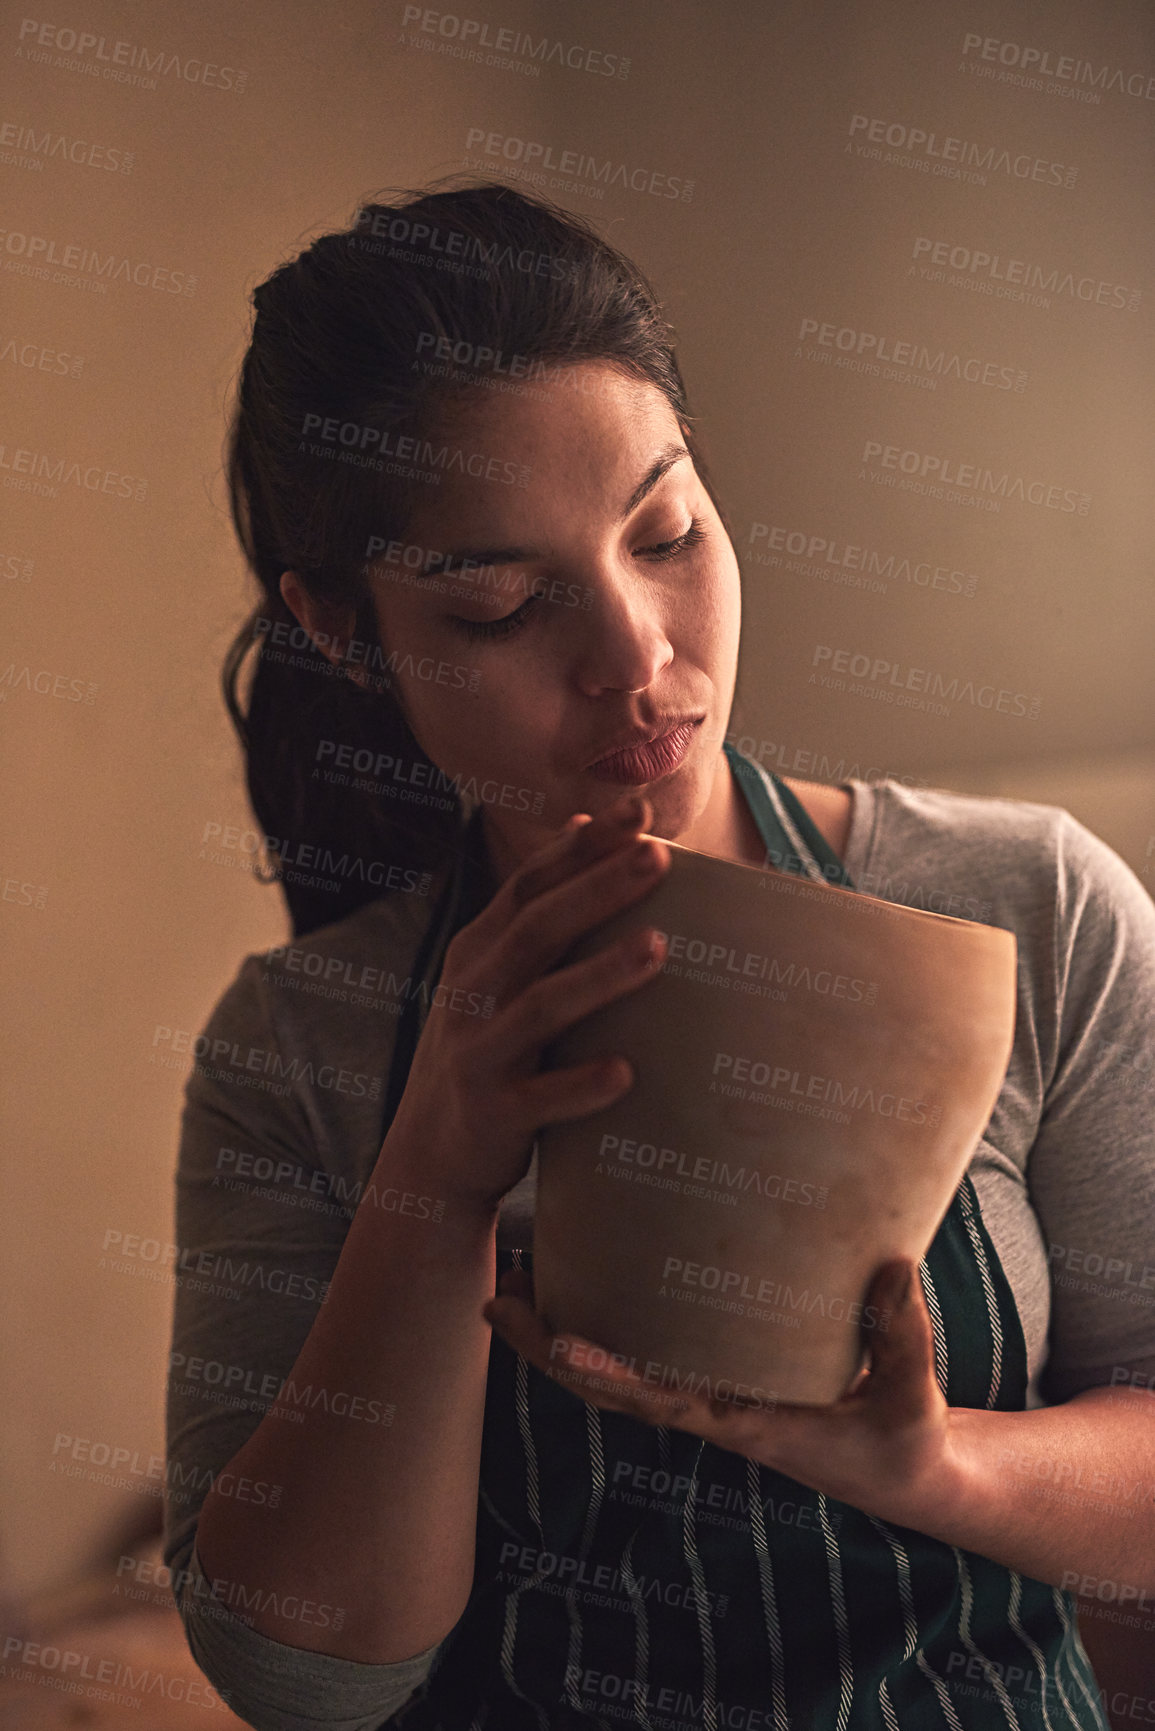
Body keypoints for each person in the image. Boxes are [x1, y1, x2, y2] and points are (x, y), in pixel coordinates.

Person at [163, 180, 1155, 1731]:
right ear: (345, 629)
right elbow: (302, 1674)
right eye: (499, 607)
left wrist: (935, 1464)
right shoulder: (299, 1047)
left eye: (667, 530)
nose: (641, 660)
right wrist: (438, 1165)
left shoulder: (1032, 905)